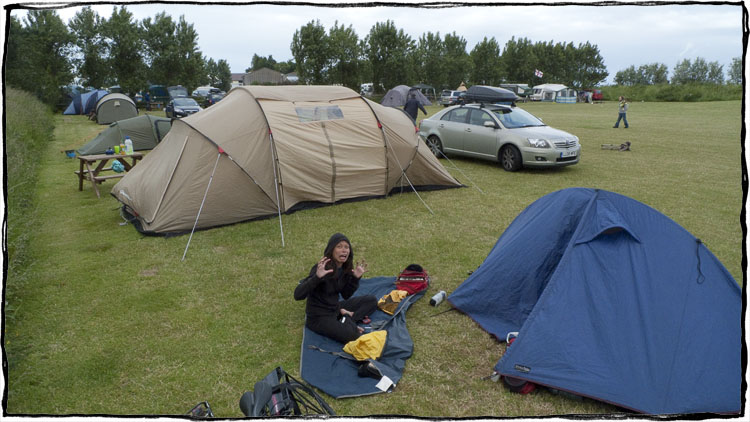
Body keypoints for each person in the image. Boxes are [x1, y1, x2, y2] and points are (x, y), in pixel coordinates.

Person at [294, 233, 378, 344]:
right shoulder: (322, 268)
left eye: (346, 247)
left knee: (371, 301)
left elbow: (346, 295)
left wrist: (355, 278)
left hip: (335, 308)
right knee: (353, 336)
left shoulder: (345, 268)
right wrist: (317, 277)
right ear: (331, 250)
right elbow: (298, 295)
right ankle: (346, 319)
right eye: (339, 246)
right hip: (319, 317)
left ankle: (345, 318)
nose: (344, 250)